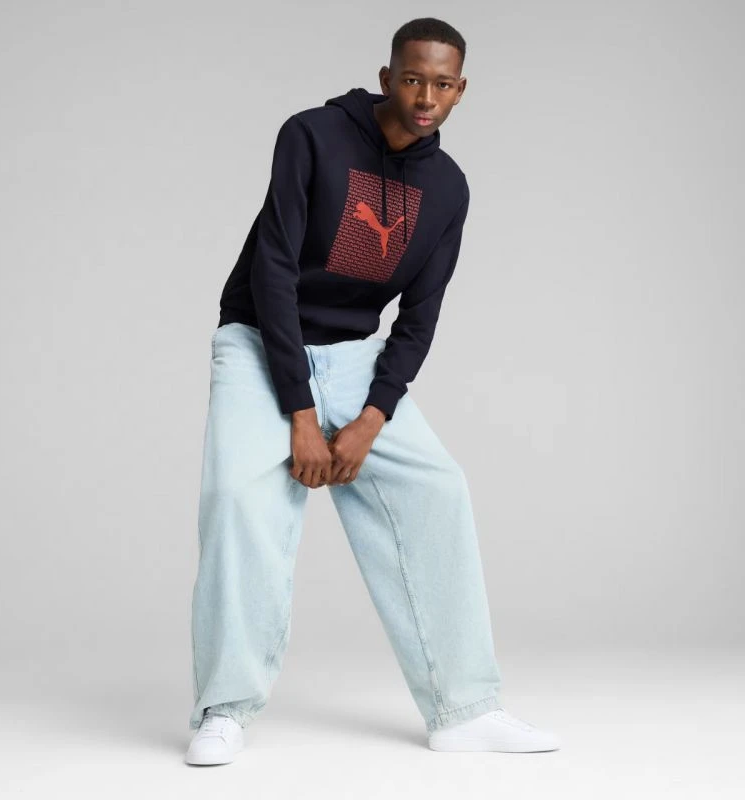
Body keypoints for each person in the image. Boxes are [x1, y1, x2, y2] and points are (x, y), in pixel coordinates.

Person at [185, 17, 561, 765]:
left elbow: (420, 315)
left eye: (442, 84)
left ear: (461, 90)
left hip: (356, 360)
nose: (425, 98)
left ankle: (463, 709)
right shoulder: (313, 135)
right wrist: (300, 411)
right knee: (238, 501)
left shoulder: (448, 189)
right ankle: (223, 709)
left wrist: (372, 415)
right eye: (413, 79)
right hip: (262, 342)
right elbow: (273, 270)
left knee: (439, 490)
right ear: (388, 78)